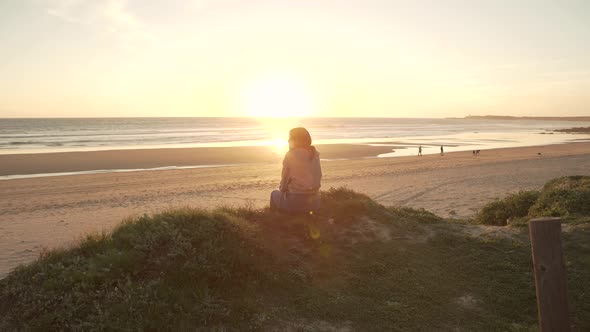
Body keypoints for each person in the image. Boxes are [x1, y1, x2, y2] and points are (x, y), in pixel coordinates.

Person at [270, 127, 322, 214]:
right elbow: (318, 175)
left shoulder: (291, 155)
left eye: (290, 138)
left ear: (295, 140)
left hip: (297, 202)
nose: (288, 141)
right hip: (315, 203)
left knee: (274, 194)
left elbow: (284, 182)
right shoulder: (315, 154)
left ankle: (275, 219)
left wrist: (283, 189)